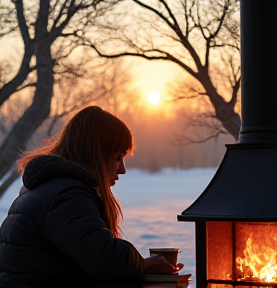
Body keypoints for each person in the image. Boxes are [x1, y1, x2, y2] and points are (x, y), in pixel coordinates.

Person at [0, 106, 183, 288]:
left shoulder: (49, 189)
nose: (123, 170)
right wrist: (142, 264)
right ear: (97, 155)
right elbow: (106, 262)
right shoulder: (66, 197)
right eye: (118, 158)